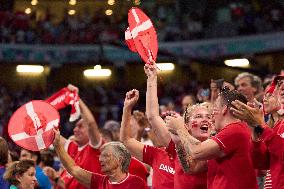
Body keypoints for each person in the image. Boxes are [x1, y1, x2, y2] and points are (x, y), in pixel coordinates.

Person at [166, 87, 258, 189]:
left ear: (224, 109)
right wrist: (178, 142)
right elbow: (193, 168)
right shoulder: (224, 135)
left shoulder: (235, 130)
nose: (212, 114)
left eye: (215, 108)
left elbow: (196, 152)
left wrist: (180, 128)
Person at [144, 63, 209, 189]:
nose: (205, 120)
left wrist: (179, 130)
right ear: (187, 125)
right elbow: (152, 116)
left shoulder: (215, 145)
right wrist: (152, 78)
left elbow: (194, 163)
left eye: (208, 117)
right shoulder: (176, 144)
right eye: (198, 117)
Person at [230, 75, 284, 188]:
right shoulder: (278, 125)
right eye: (280, 89)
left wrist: (260, 125)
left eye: (270, 94)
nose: (265, 99)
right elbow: (261, 162)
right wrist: (254, 129)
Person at [53, 128, 147, 189]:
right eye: (101, 156)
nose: (100, 159)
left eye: (106, 156)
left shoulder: (136, 183)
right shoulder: (99, 182)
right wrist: (57, 146)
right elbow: (74, 169)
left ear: (120, 159)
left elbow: (91, 123)